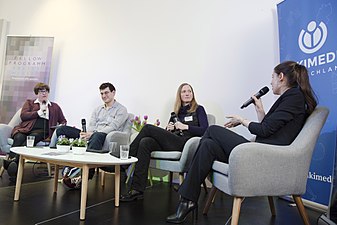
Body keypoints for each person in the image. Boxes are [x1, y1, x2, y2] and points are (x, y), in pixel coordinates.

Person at [166, 61, 318, 223]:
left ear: (281, 77)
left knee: (212, 130)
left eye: (272, 77)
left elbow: (264, 131)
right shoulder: (291, 97)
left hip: (264, 155)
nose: (271, 82)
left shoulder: (293, 96)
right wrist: (259, 110)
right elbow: (270, 128)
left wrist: (242, 120)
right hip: (262, 150)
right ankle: (188, 200)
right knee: (209, 145)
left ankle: (187, 193)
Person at [120, 83, 209, 202]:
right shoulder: (176, 113)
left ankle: (124, 162)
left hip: (185, 144)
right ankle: (137, 190)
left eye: (189, 91)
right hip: (173, 141)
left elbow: (205, 129)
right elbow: (168, 133)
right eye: (184, 91)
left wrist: (185, 127)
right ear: (180, 95)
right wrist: (169, 129)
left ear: (193, 94)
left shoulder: (199, 109)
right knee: (145, 142)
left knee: (147, 129)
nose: (187, 93)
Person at [54, 82, 128, 189]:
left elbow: (113, 127)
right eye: (101, 93)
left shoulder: (121, 110)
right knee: (62, 129)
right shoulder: (97, 110)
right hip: (92, 136)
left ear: (113, 92)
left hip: (105, 137)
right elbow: (92, 126)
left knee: (97, 135)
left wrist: (92, 134)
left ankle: (81, 176)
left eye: (106, 93)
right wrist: (86, 134)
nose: (104, 96)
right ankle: (66, 163)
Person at [3, 82, 67, 181]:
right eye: (41, 92)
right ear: (37, 93)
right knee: (19, 137)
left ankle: (11, 163)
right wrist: (38, 112)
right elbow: (23, 115)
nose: (44, 94)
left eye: (45, 91)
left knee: (32, 138)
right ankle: (14, 163)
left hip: (42, 131)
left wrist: (61, 126)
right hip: (25, 128)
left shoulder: (54, 106)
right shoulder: (29, 103)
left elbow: (63, 120)